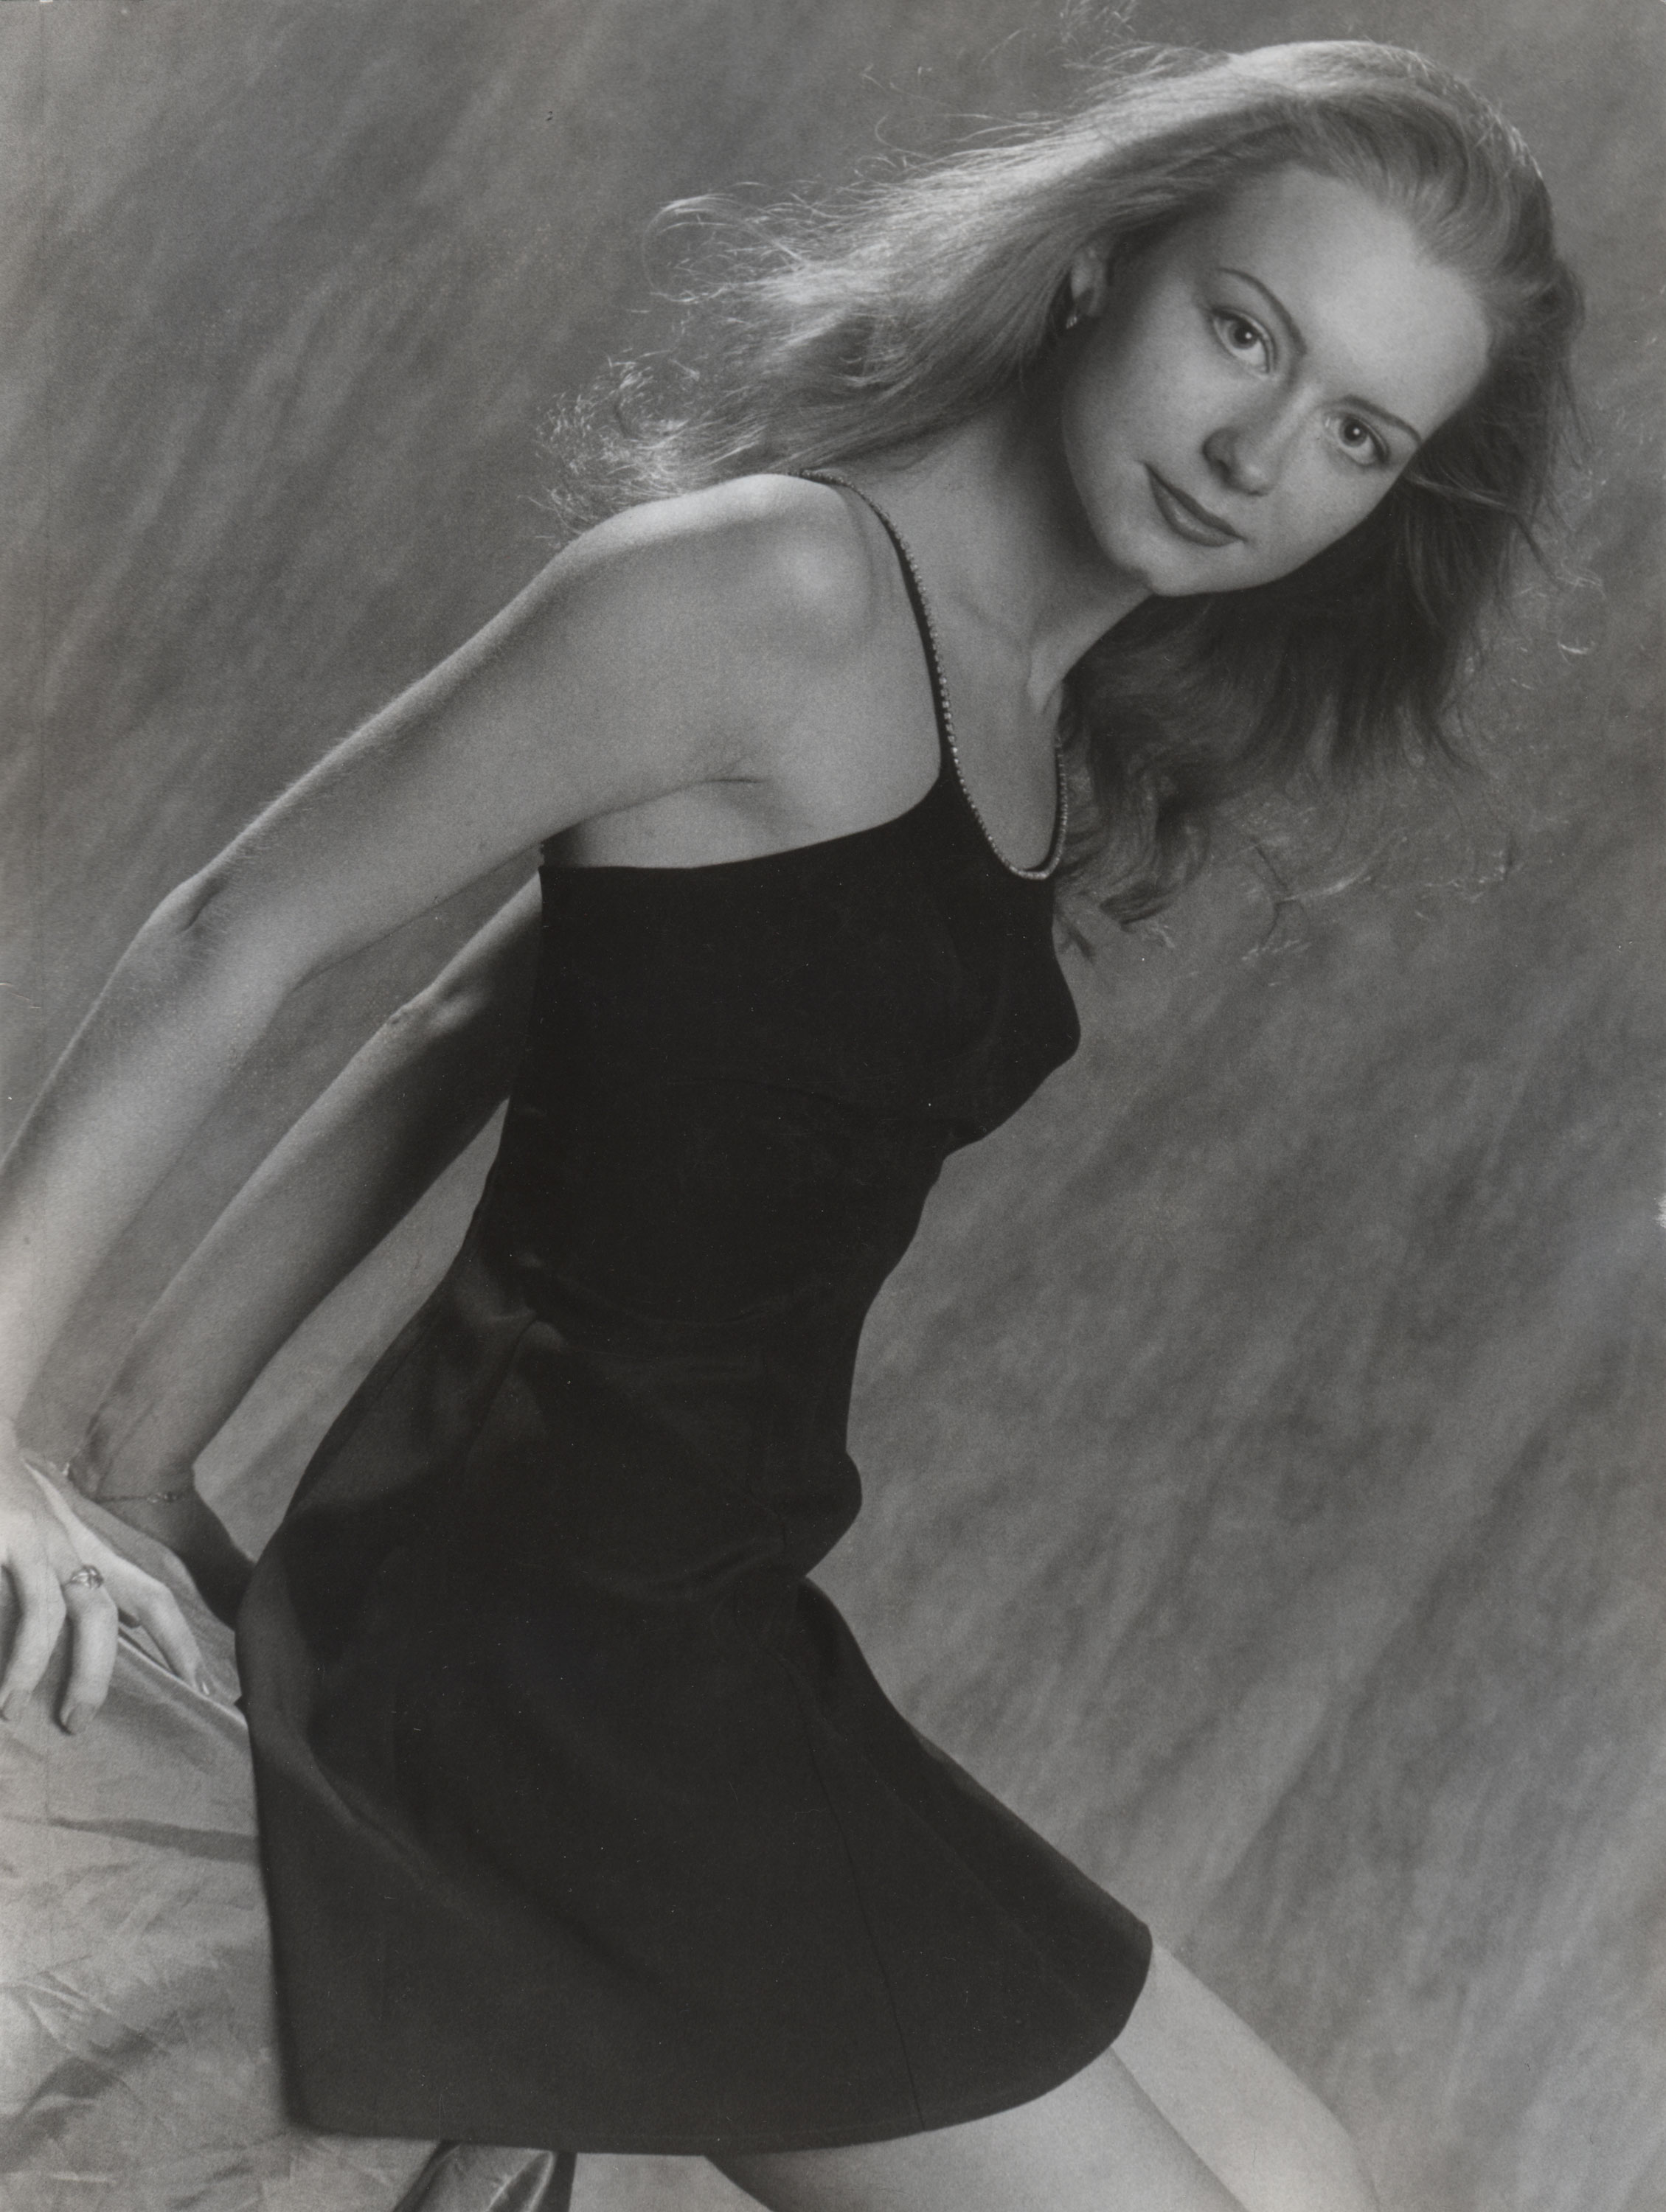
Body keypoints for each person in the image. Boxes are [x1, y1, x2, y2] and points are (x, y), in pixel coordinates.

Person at [0, 37, 1580, 2212]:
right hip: (539, 1669)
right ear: (1099, 264)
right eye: (1244, 332)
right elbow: (228, 932)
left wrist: (143, 1450)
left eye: (1356, 433)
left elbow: (471, 1028)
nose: (1258, 452)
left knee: (1303, 2175)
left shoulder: (1023, 705)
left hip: (703, 1633)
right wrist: (20, 1442)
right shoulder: (776, 591)